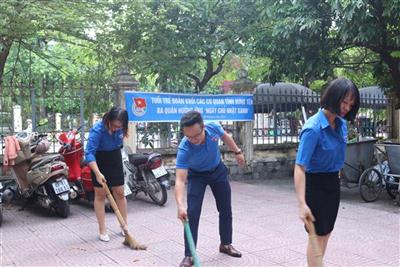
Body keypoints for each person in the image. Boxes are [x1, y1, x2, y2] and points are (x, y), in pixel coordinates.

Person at [294, 78, 360, 266]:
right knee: (316, 235)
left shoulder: (341, 124)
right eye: (344, 102)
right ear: (333, 97)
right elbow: (299, 167)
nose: (347, 107)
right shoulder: (313, 129)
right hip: (315, 186)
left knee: (327, 232)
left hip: (333, 183)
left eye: (350, 104)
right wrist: (301, 204)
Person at [175, 111, 246, 267]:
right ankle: (189, 254)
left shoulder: (213, 127)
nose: (193, 140)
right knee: (191, 213)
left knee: (225, 208)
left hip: (217, 170)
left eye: (196, 136)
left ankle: (226, 244)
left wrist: (237, 152)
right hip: (196, 176)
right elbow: (180, 180)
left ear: (203, 127)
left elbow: (226, 137)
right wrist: (180, 205)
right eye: (189, 137)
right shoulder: (185, 147)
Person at [85, 107, 129, 242]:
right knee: (100, 195)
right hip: (99, 160)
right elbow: (89, 153)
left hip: (114, 158)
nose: (117, 128)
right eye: (115, 125)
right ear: (109, 119)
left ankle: (124, 225)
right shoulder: (97, 130)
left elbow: (119, 144)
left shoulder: (121, 128)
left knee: (120, 193)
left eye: (120, 126)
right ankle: (102, 229)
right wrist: (97, 173)